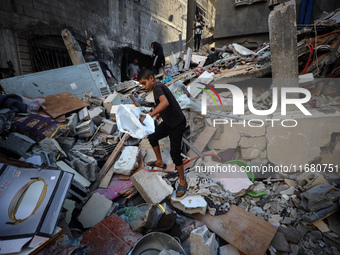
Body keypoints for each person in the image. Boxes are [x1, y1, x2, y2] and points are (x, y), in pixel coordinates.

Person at [137, 69, 187, 198]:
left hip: (177, 123)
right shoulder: (157, 88)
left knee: (175, 153)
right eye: (141, 85)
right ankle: (159, 161)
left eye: (144, 83)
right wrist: (158, 114)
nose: (144, 86)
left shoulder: (158, 87)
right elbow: (163, 105)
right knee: (152, 137)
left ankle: (182, 181)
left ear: (151, 78)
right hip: (168, 122)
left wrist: (150, 116)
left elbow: (165, 103)